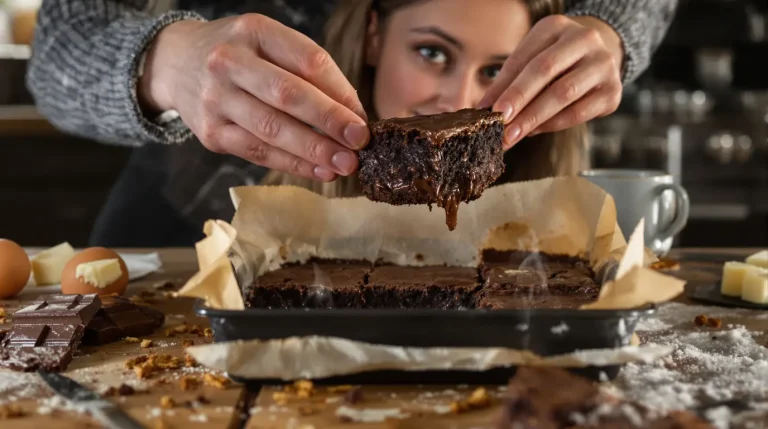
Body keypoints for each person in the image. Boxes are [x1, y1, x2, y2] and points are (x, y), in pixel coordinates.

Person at [27, 0, 678, 247]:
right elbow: (57, 43)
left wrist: (614, 26)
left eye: (495, 69)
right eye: (431, 52)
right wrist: (161, 64)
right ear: (372, 34)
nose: (455, 96)